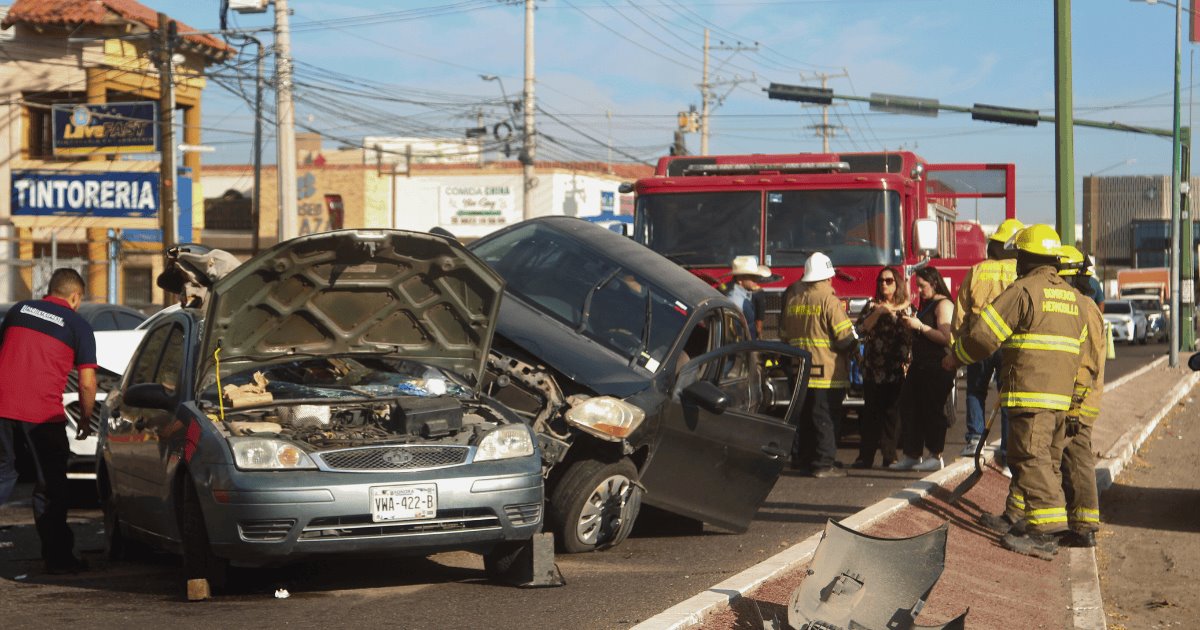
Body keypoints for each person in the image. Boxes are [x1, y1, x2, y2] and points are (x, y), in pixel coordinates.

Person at [943, 224, 1086, 560]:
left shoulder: (1023, 291)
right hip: (1061, 397)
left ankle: (1045, 532)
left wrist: (956, 357)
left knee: (1029, 459)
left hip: (1031, 393)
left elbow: (983, 336)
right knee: (1037, 459)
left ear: (1025, 257)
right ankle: (1018, 517)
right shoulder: (1071, 297)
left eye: (1019, 255)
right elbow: (1079, 347)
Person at [0, 269, 97, 573]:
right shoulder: (78, 325)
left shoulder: (18, 310)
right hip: (43, 415)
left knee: (3, 476)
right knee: (51, 486)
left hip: (2, 409)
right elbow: (86, 382)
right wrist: (85, 418)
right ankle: (58, 559)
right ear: (75, 296)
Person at [779, 252, 856, 478]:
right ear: (828, 276)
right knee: (826, 417)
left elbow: (784, 335)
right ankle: (823, 464)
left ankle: (804, 461)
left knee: (805, 418)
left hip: (799, 368)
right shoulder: (828, 299)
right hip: (826, 370)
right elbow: (843, 337)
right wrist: (856, 345)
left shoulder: (793, 298)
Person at [953, 218, 1023, 459]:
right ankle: (1006, 447)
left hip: (979, 340)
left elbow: (961, 312)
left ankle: (973, 439)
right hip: (1009, 342)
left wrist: (958, 345)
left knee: (975, 389)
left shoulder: (977, 271)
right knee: (1007, 394)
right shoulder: (1020, 272)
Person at [1056, 245, 1105, 548]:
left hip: (1078, 402)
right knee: (1069, 461)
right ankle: (1076, 522)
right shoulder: (1082, 304)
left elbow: (1087, 363)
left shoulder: (1084, 308)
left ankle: (1084, 527)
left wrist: (1074, 406)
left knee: (1077, 460)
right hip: (1076, 399)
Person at [891, 266, 955, 472]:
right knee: (909, 405)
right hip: (920, 365)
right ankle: (912, 453)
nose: (919, 290)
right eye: (917, 286)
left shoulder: (943, 304)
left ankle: (935, 454)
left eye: (922, 286)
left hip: (937, 365)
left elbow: (946, 337)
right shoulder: (926, 304)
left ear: (934, 283)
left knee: (932, 409)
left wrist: (920, 326)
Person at [851, 266, 912, 469]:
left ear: (897, 284)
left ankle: (890, 456)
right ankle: (865, 457)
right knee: (870, 414)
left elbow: (912, 335)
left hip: (895, 368)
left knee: (892, 414)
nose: (883, 284)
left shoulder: (905, 308)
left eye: (888, 281)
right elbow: (860, 329)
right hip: (873, 368)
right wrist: (879, 313)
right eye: (880, 281)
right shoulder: (871, 306)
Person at [725, 255, 772, 339]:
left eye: (756, 276)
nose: (756, 280)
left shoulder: (740, 296)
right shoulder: (739, 302)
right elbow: (737, 333)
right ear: (740, 280)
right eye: (752, 277)